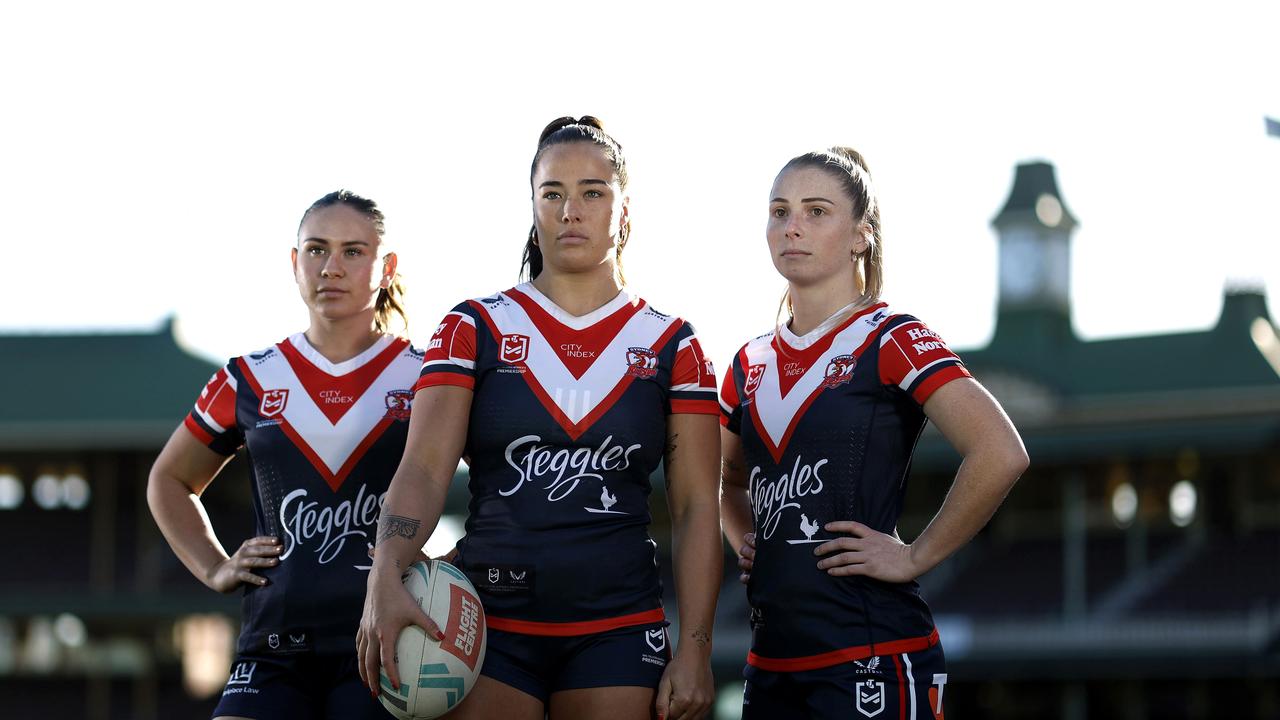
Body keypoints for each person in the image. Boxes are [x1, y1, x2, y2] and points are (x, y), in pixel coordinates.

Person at [357, 116, 721, 720]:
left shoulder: (673, 345)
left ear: (624, 213)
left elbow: (694, 510)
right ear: (533, 208)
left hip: (619, 625)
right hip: (491, 623)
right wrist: (384, 575)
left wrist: (696, 649)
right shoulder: (473, 327)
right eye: (552, 193)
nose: (570, 210)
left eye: (593, 192)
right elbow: (422, 467)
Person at [719, 148, 1028, 719]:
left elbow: (1000, 451)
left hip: (872, 655)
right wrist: (743, 539)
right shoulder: (747, 363)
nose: (793, 226)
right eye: (779, 211)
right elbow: (727, 485)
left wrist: (915, 555)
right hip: (770, 667)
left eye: (817, 212)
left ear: (861, 235)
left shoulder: (890, 336)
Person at [147, 190, 421, 720]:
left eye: (352, 251)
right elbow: (169, 480)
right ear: (295, 264)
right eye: (316, 250)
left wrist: (452, 567)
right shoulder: (249, 378)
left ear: (385, 267)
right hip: (271, 648)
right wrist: (215, 567)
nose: (331, 267)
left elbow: (495, 479)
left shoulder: (425, 374)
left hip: (381, 641)